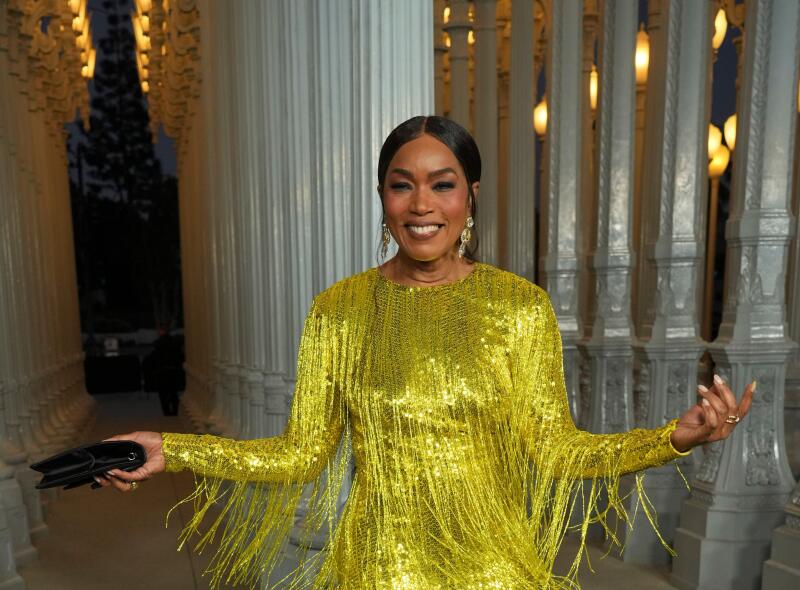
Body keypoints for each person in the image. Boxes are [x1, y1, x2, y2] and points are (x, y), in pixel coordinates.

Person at [97, 116, 754, 589]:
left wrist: (674, 438)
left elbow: (557, 447)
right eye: (400, 184)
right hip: (382, 569)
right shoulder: (340, 309)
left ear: (470, 198)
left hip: (495, 568)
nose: (420, 205)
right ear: (382, 200)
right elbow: (300, 453)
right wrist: (173, 449)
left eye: (442, 185)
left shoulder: (518, 308)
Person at [147, 324, 184, 416]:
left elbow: (154, 358)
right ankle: (175, 411)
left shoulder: (158, 343)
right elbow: (180, 357)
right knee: (173, 392)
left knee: (163, 393)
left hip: (162, 371)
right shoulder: (175, 343)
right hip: (173, 370)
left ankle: (167, 412)